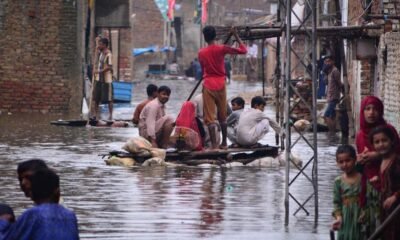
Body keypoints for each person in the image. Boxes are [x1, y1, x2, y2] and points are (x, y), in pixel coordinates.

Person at [355, 96, 400, 237]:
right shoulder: (360, 136)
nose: (371, 113)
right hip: (371, 190)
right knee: (372, 228)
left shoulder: (389, 131)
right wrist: (359, 161)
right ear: (362, 112)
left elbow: (397, 151)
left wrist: (377, 155)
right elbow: (361, 170)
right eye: (367, 109)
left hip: (392, 188)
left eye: (375, 109)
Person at [198, 26, 247, 149]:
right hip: (221, 84)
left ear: (205, 38)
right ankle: (224, 143)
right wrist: (235, 35)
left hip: (208, 84)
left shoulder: (201, 53)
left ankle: (214, 145)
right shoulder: (222, 48)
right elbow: (243, 50)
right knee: (223, 117)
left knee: (210, 118)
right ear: (215, 37)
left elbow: (203, 70)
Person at [3, 169, 79, 240]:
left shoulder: (32, 215)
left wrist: (3, 221)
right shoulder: (70, 215)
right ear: (57, 192)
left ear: (31, 193)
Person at [368, 125, 400, 240]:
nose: (381, 144)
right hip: (386, 210)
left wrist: (395, 197)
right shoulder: (382, 161)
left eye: (384, 140)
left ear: (391, 141)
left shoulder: (396, 161)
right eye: (377, 142)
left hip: (397, 210)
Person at [331, 145, 363, 240]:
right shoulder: (338, 182)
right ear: (337, 163)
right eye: (341, 162)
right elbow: (337, 203)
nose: (345, 164)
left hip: (360, 216)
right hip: (345, 218)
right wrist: (338, 218)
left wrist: (365, 213)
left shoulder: (363, 178)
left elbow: (367, 198)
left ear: (355, 159)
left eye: (348, 160)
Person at [93, 37, 113, 120]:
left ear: (105, 45)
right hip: (99, 79)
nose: (99, 46)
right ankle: (95, 115)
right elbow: (97, 51)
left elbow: (109, 67)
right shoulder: (101, 53)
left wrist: (98, 71)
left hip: (107, 79)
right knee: (96, 97)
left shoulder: (109, 54)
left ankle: (110, 115)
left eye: (100, 44)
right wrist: (96, 43)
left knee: (109, 98)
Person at [323, 56, 342, 136]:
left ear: (333, 62)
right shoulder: (329, 72)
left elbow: (339, 83)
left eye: (328, 61)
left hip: (334, 97)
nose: (327, 63)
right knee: (332, 115)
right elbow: (327, 83)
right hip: (330, 96)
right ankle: (333, 132)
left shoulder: (335, 71)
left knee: (326, 115)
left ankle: (331, 132)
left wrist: (343, 90)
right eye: (326, 62)